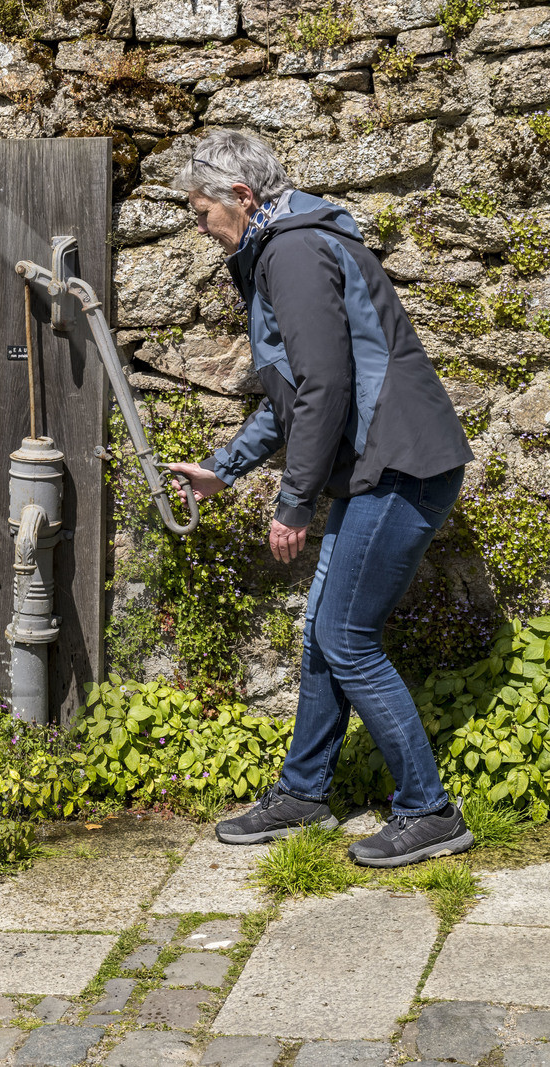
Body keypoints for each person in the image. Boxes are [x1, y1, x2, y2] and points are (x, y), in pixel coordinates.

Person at [164, 130, 476, 868]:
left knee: (345, 634)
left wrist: (294, 501)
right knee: (323, 631)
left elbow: (326, 388)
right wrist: (223, 467)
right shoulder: (290, 244)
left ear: (242, 198)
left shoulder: (292, 253)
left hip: (399, 464)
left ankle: (428, 810)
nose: (202, 229)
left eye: (202, 211)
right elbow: (293, 394)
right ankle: (304, 793)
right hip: (385, 462)